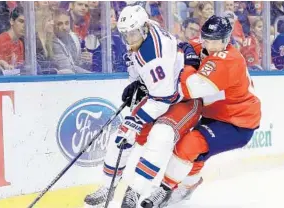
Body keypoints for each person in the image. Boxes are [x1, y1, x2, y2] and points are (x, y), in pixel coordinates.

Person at [83, 5, 202, 208]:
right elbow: (142, 70)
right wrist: (137, 81)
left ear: (144, 28)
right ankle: (108, 187)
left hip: (183, 99)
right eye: (126, 34)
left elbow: (164, 98)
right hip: (161, 92)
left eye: (134, 33)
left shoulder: (154, 57)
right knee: (122, 135)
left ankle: (135, 191)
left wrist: (138, 118)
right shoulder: (147, 28)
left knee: (160, 137)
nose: (130, 39)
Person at [141, 15, 261, 208]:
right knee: (194, 153)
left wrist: (190, 63)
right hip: (215, 115)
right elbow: (179, 48)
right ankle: (188, 187)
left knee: (190, 145)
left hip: (238, 123)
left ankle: (163, 190)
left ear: (227, 40)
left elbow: (190, 88)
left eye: (217, 41)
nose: (211, 46)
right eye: (207, 40)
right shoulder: (206, 44)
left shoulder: (228, 60)